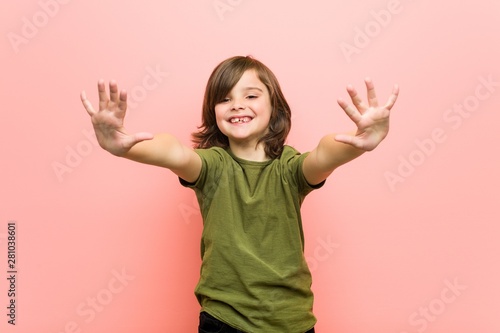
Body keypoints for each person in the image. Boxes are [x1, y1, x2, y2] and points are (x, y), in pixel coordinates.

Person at [80, 55, 399, 333]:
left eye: (251, 95)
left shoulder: (289, 169)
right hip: (224, 321)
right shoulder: (212, 166)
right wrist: (126, 147)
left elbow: (324, 153)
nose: (237, 105)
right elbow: (173, 152)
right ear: (213, 112)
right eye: (225, 98)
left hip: (293, 320)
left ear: (275, 106)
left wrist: (360, 139)